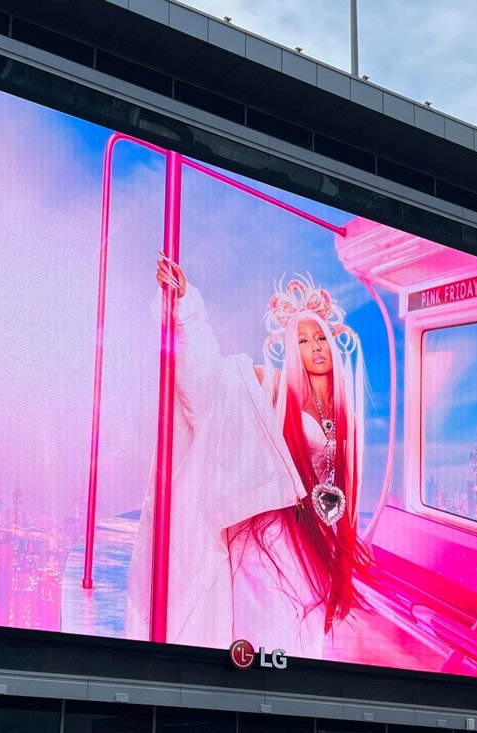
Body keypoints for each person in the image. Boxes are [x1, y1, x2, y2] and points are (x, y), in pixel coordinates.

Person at [125, 256, 368, 656]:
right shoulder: (270, 388)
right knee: (268, 630)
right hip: (269, 538)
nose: (315, 348)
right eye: (303, 341)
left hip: (317, 541)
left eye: (320, 338)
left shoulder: (350, 419)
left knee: (306, 637)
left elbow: (348, 497)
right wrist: (188, 308)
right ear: (291, 348)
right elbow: (207, 380)